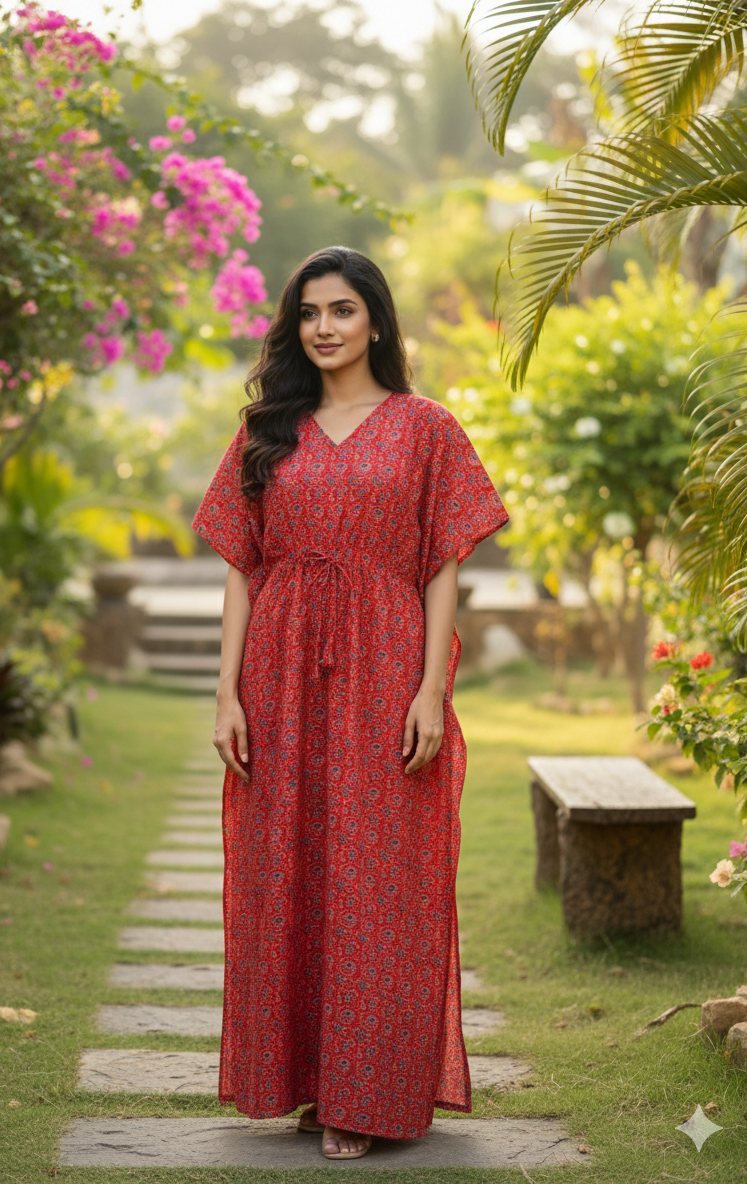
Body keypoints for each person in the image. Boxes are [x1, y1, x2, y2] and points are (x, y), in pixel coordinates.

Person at [192, 245, 508, 1160]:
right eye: (308, 314)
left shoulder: (426, 427)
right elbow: (241, 574)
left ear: (375, 319)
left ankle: (362, 1096)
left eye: (341, 310)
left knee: (380, 879)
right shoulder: (265, 431)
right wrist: (227, 693)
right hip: (280, 673)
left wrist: (429, 688)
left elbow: (442, 564)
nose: (324, 328)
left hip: (384, 668)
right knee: (284, 872)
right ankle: (300, 1080)